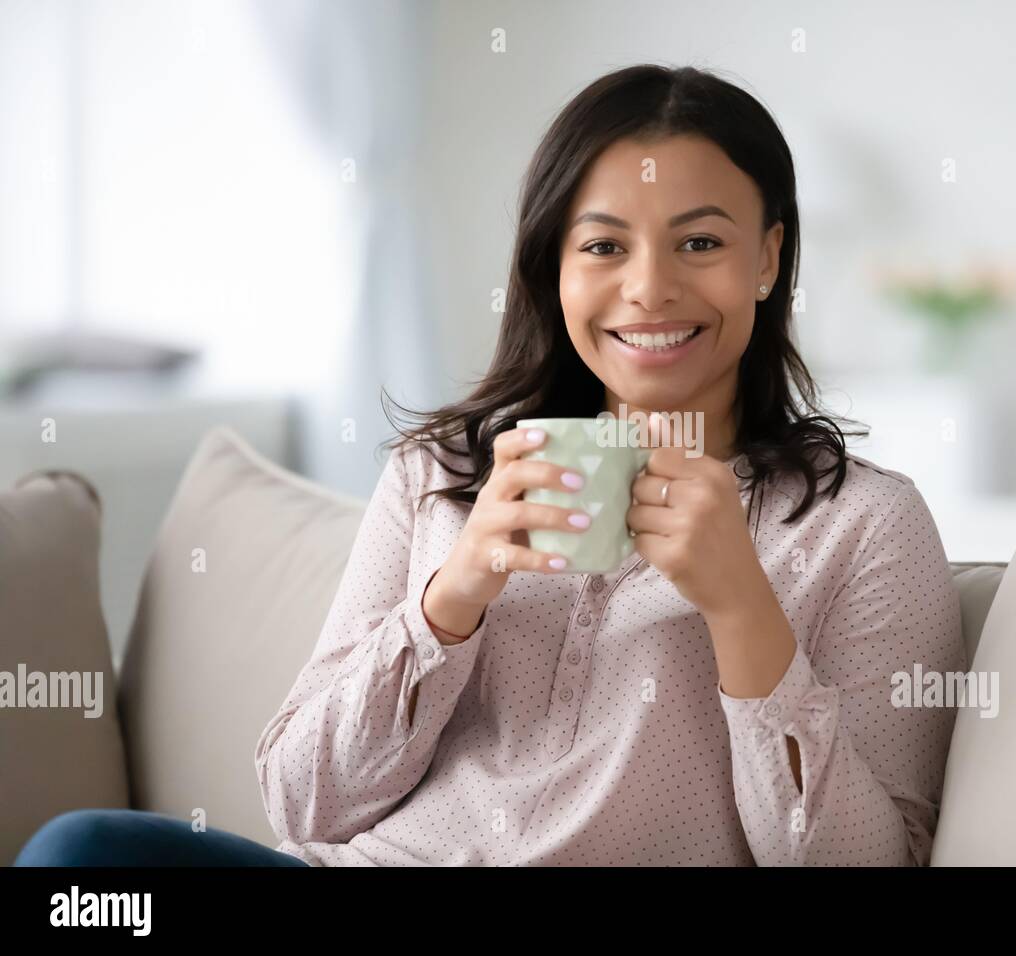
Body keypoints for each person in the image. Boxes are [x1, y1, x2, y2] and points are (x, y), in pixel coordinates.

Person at [16, 63, 965, 867]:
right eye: (604, 245)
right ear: (555, 268)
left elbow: (865, 863)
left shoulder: (864, 525)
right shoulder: (440, 475)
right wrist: (453, 594)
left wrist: (742, 607)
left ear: (767, 258)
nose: (649, 287)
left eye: (701, 242)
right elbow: (302, 804)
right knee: (84, 855)